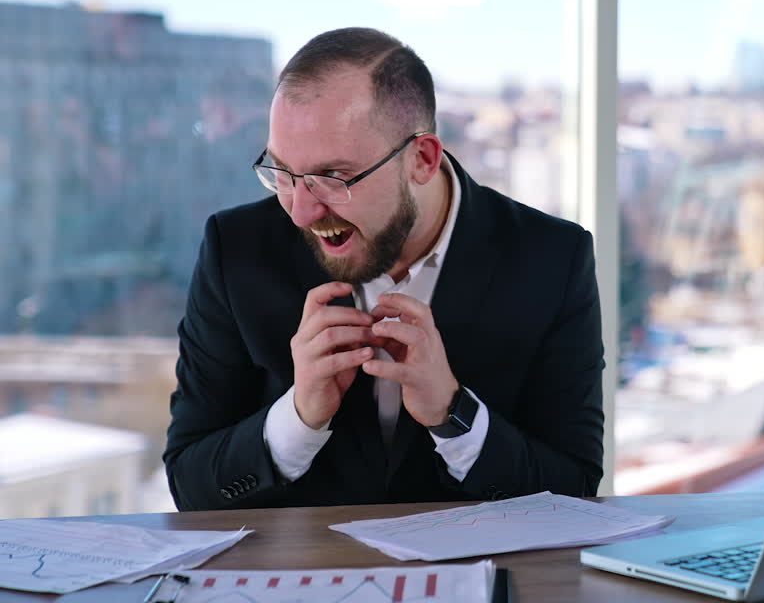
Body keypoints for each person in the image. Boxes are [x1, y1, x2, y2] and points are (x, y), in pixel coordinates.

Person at [164, 28, 605, 510]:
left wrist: (454, 414)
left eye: (333, 177)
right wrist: (297, 417)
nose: (301, 212)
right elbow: (190, 487)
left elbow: (574, 490)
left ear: (422, 159)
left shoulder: (553, 258)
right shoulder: (237, 250)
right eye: (283, 172)